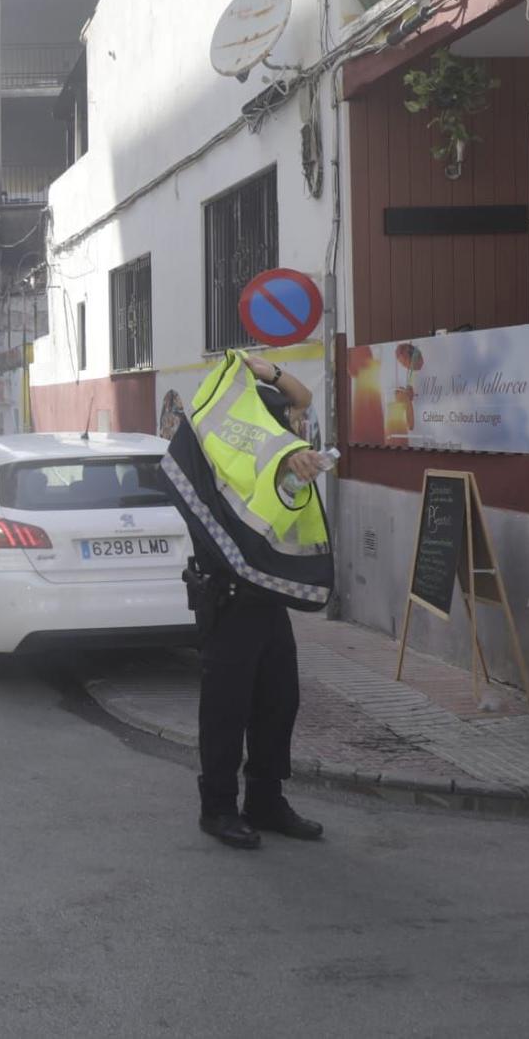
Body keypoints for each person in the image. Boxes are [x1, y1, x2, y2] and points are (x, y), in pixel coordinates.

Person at [164, 352, 330, 851]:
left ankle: (265, 800)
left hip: (268, 593)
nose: (289, 418)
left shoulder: (268, 433)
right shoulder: (207, 439)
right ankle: (217, 807)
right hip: (229, 596)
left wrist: (269, 371)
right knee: (226, 709)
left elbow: (301, 400)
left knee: (279, 702)